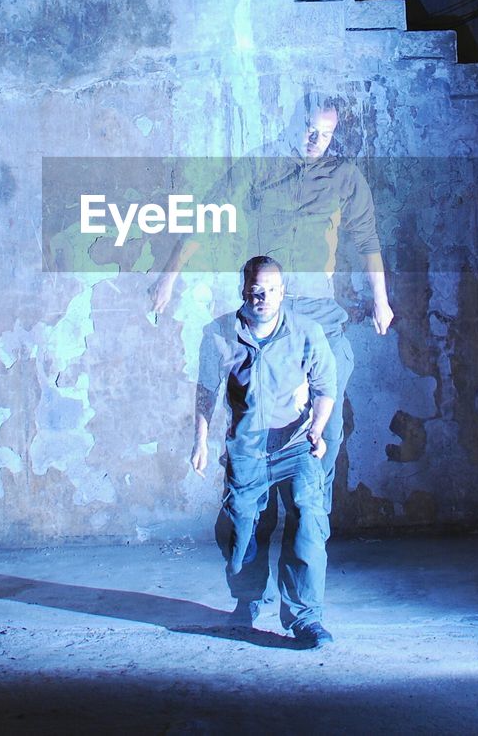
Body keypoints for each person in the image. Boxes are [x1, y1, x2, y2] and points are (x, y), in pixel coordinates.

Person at [154, 92, 393, 503]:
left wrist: (381, 299)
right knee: (255, 422)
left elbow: (367, 236)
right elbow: (209, 212)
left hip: (319, 314)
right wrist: (168, 277)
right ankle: (251, 520)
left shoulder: (343, 174)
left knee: (327, 425)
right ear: (290, 122)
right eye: (308, 129)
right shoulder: (259, 165)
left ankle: (311, 517)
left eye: (326, 135)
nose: (315, 140)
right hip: (267, 317)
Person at [192, 255, 337, 648]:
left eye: (272, 290)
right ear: (245, 291)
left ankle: (306, 618)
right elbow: (207, 390)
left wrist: (318, 430)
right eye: (257, 291)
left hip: (295, 445)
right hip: (247, 448)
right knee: (241, 529)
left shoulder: (307, 333)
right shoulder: (219, 334)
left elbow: (325, 388)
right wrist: (199, 441)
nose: (264, 298)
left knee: (308, 518)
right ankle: (248, 598)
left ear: (282, 292)